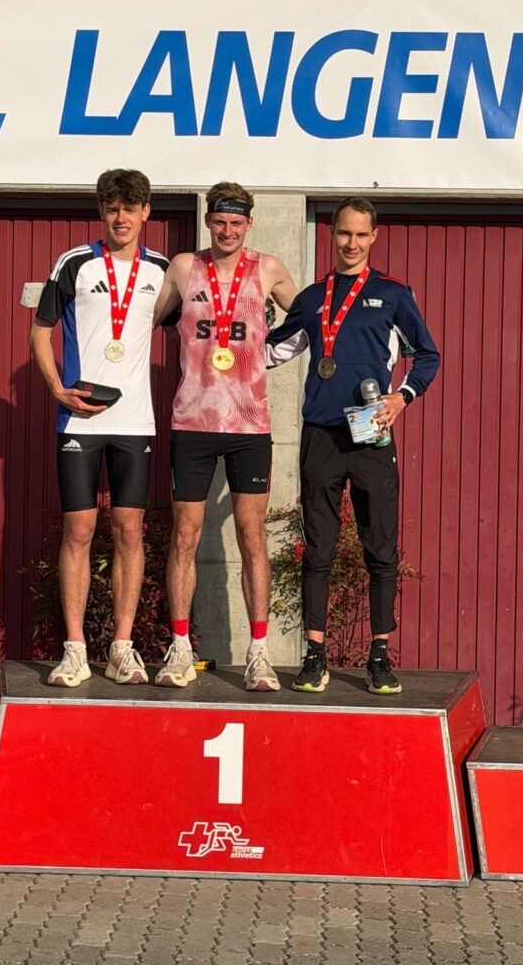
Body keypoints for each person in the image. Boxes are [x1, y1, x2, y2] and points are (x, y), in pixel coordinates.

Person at [266, 196, 440, 694]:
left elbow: (428, 356)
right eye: (344, 233)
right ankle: (314, 655)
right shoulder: (312, 298)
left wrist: (402, 397)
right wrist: (230, 338)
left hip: (370, 432)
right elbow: (274, 350)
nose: (352, 243)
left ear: (374, 237)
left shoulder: (393, 293)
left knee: (380, 548)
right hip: (321, 434)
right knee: (316, 549)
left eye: (361, 235)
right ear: (331, 233)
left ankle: (379, 656)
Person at [151, 182, 299, 691]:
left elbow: (309, 320)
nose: (228, 231)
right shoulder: (183, 267)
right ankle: (179, 648)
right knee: (185, 535)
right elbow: (148, 321)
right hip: (191, 422)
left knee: (252, 536)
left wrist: (268, 356)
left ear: (249, 224)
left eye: (236, 223)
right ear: (208, 222)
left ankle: (259, 654)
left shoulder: (269, 268)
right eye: (220, 221)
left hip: (249, 424)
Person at [30, 168, 168, 687]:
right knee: (80, 530)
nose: (121, 218)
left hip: (135, 421)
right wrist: (55, 389)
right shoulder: (74, 263)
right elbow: (40, 332)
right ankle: (74, 651)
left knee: (130, 529)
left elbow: (201, 325)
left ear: (146, 212)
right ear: (101, 212)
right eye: (112, 209)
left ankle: (122, 649)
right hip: (79, 420)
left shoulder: (162, 270)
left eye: (130, 208)